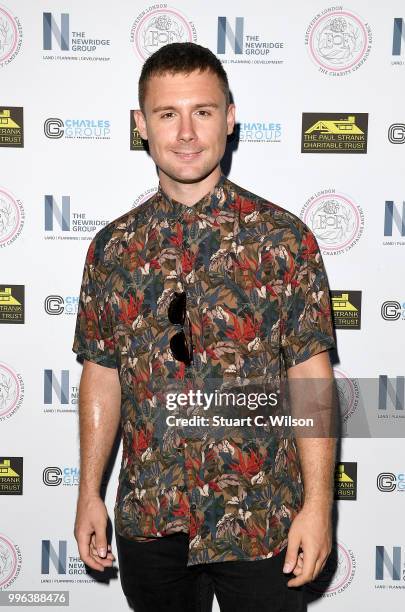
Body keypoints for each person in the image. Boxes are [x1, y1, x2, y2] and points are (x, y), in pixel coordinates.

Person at [72, 42, 337, 612]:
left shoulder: (284, 240)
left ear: (231, 118)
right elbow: (101, 374)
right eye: (168, 114)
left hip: (263, 518)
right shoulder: (112, 249)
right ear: (142, 125)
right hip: (151, 517)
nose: (187, 132)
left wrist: (319, 506)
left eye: (204, 112)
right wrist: (88, 492)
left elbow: (311, 381)